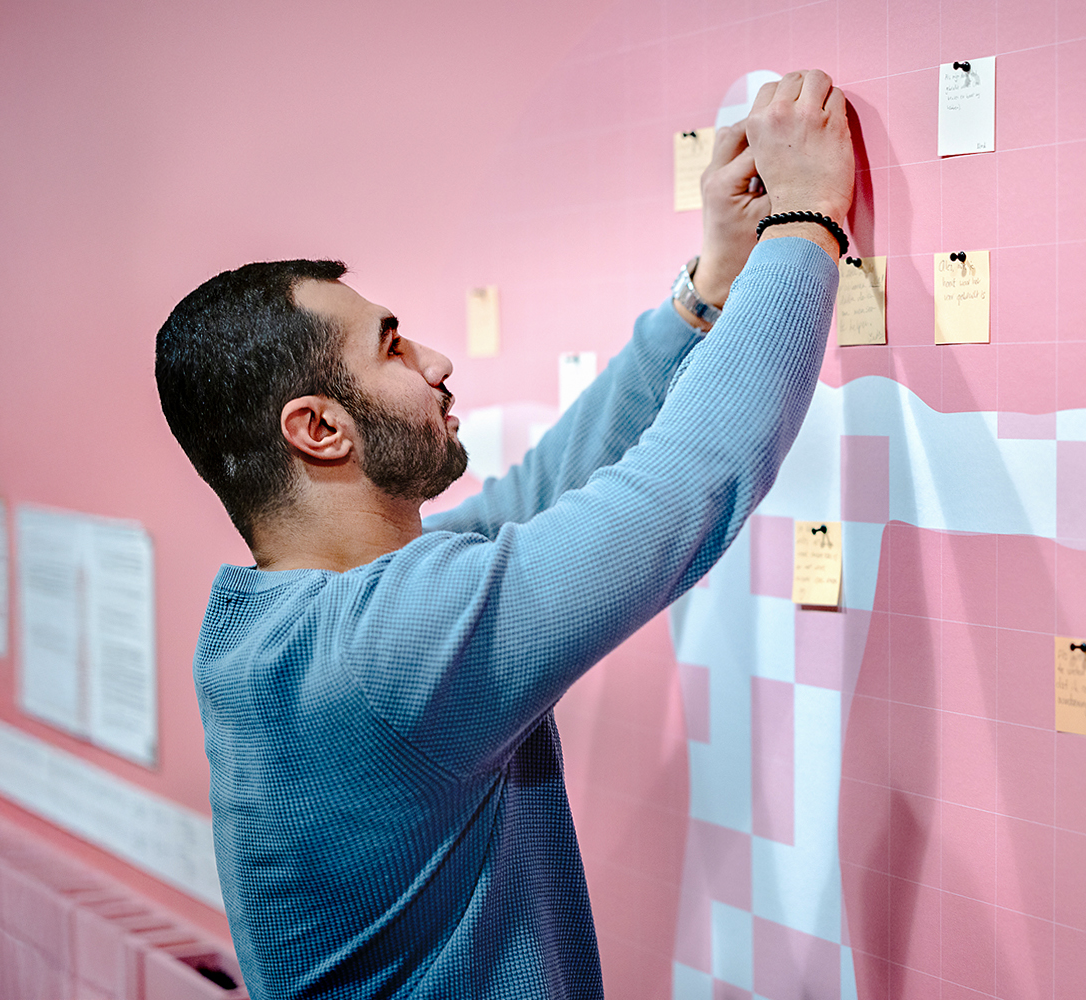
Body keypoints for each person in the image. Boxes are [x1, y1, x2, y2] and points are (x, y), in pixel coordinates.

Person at [153, 70, 855, 1000]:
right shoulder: (392, 644)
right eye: (393, 345)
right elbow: (683, 484)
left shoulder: (277, 630)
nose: (436, 360)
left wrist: (709, 289)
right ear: (319, 429)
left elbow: (537, 497)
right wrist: (806, 223)